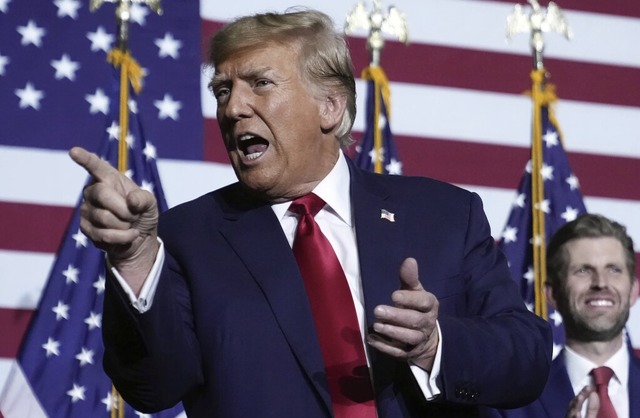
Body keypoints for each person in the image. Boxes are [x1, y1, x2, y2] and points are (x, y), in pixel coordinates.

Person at [69, 8, 552, 417]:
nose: (233, 107)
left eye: (260, 83)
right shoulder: (188, 236)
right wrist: (133, 259)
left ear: (330, 106)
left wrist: (435, 347)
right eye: (222, 90)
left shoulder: (444, 214)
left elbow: (526, 364)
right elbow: (153, 389)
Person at [481, 213, 640, 418]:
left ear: (634, 290)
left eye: (614, 270)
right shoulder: (506, 402)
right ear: (552, 293)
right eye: (583, 270)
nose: (601, 282)